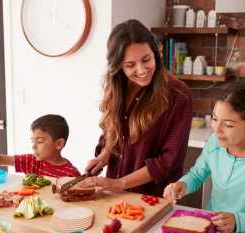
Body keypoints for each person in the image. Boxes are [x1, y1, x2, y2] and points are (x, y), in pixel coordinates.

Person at [80, 19, 193, 197]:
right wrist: (105, 155)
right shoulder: (117, 88)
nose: (141, 70)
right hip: (112, 196)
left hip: (151, 200)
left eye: (146, 59)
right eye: (130, 65)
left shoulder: (178, 95)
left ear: (155, 53)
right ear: (118, 66)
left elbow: (169, 161)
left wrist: (121, 183)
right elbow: (113, 132)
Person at [163, 80, 245, 233]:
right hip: (212, 230)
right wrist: (182, 185)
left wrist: (238, 222)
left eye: (228, 125)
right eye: (214, 119)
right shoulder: (214, 143)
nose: (217, 130)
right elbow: (197, 175)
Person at [0, 114, 80, 178]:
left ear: (59, 144)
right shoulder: (32, 162)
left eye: (40, 141)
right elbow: (0, 159)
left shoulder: (71, 174)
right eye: (33, 141)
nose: (33, 147)